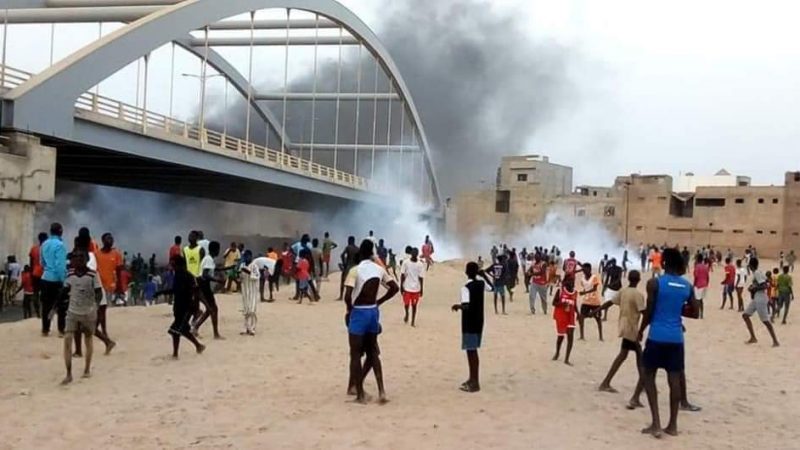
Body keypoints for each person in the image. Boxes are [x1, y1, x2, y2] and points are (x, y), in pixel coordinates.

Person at [638, 248, 699, 438]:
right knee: (674, 381)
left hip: (657, 336)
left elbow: (649, 311)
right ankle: (672, 425)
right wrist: (675, 310)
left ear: (663, 263)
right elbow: (695, 312)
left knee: (648, 376)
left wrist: (640, 330)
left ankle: (656, 423)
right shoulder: (687, 286)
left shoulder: (654, 283)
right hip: (676, 338)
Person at [343, 239, 400, 404]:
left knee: (355, 354)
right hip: (373, 312)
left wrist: (349, 310)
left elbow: (348, 296)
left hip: (359, 313)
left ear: (361, 252)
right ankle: (382, 391)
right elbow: (394, 288)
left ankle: (359, 393)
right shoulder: (379, 269)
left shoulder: (355, 270)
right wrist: (379, 302)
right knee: (373, 352)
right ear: (372, 253)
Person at [595, 270, 646, 401]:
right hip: (631, 328)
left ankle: (607, 382)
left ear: (628, 279)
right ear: (639, 280)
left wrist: (598, 309)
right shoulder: (638, 295)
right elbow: (644, 312)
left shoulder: (623, 291)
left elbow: (610, 303)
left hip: (623, 325)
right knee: (639, 355)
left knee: (625, 355)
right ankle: (643, 384)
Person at [60, 250, 101, 385]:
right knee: (67, 339)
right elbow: (64, 291)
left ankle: (87, 369)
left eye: (81, 257)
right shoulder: (70, 274)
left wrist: (97, 306)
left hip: (88, 312)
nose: (78, 260)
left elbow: (98, 292)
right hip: (72, 311)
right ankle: (68, 373)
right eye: (76, 258)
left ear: (86, 259)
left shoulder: (92, 275)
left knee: (88, 339)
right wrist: (55, 307)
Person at [452, 261, 493, 393]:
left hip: (469, 322)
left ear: (466, 272)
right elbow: (491, 287)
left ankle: (475, 382)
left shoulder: (465, 288)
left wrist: (458, 306)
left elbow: (466, 306)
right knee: (473, 350)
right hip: (479, 321)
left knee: (471, 352)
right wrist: (484, 275)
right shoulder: (481, 284)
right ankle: (472, 378)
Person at [155, 256, 205, 358]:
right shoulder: (177, 275)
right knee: (180, 330)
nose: (173, 267)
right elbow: (174, 290)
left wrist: (196, 308)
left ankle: (192, 348)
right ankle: (196, 347)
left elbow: (196, 292)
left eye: (174, 264)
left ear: (180, 265)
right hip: (178, 307)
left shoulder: (188, 276)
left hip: (186, 308)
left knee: (176, 330)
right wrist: (160, 292)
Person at [742, 257, 780, 347]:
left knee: (765, 321)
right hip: (756, 298)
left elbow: (764, 286)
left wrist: (753, 288)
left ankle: (775, 341)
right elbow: (767, 282)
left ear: (751, 266)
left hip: (760, 299)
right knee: (745, 315)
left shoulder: (757, 273)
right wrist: (753, 286)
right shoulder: (759, 272)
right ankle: (753, 337)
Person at [193, 241, 224, 339]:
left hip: (203, 287)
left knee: (211, 309)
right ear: (215, 250)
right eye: (218, 249)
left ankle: (196, 327)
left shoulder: (208, 259)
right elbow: (205, 274)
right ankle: (215, 334)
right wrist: (217, 280)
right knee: (213, 309)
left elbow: (211, 270)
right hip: (204, 287)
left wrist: (225, 268)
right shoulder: (208, 259)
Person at [40, 223, 67, 336]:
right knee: (61, 306)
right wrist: (63, 280)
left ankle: (45, 329)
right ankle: (61, 330)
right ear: (60, 231)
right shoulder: (60, 245)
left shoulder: (44, 244)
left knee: (46, 305)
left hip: (45, 277)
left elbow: (41, 262)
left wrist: (47, 269)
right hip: (56, 280)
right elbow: (60, 265)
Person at [94, 233, 122, 344]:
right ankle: (102, 331)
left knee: (102, 310)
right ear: (103, 240)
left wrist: (119, 286)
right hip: (98, 285)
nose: (110, 240)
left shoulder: (116, 254)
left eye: (112, 238)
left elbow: (119, 270)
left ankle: (96, 329)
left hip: (110, 286)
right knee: (102, 310)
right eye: (108, 238)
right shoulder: (97, 254)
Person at [552, 275, 578, 365]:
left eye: (573, 280)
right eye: (570, 281)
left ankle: (567, 359)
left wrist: (578, 314)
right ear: (565, 281)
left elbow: (575, 305)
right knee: (561, 337)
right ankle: (557, 352)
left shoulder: (575, 292)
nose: (572, 282)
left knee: (570, 336)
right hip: (561, 316)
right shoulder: (560, 291)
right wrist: (562, 303)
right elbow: (554, 303)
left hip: (570, 316)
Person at [577, 263, 603, 341]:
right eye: (583, 270)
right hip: (586, 301)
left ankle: (600, 336)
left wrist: (584, 293)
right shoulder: (582, 279)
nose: (584, 271)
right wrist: (584, 292)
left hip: (595, 301)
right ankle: (582, 336)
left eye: (585, 269)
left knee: (598, 319)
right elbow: (586, 287)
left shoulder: (594, 277)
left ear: (589, 269)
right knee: (581, 318)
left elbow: (594, 289)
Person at [400, 248, 425, 327]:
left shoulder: (420, 264)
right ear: (411, 253)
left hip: (416, 289)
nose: (414, 254)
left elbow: (421, 277)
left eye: (416, 253)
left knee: (414, 305)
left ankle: (413, 321)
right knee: (406, 304)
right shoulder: (406, 262)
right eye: (413, 252)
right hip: (407, 287)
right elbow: (402, 275)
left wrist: (421, 289)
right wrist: (401, 286)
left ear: (417, 254)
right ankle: (407, 313)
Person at [238, 250, 260, 335]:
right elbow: (240, 278)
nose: (246, 258)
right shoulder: (242, 265)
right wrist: (238, 274)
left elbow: (257, 276)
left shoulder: (254, 266)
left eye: (248, 256)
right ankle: (246, 327)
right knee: (246, 310)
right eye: (245, 256)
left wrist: (248, 272)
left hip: (253, 291)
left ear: (251, 256)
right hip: (245, 290)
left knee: (252, 310)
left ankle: (252, 328)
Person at [337, 236, 359, 300]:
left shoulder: (348, 247)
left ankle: (341, 296)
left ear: (349, 241)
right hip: (355, 267)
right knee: (355, 282)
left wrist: (344, 263)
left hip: (348, 266)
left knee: (343, 281)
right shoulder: (357, 248)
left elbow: (342, 255)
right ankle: (354, 296)